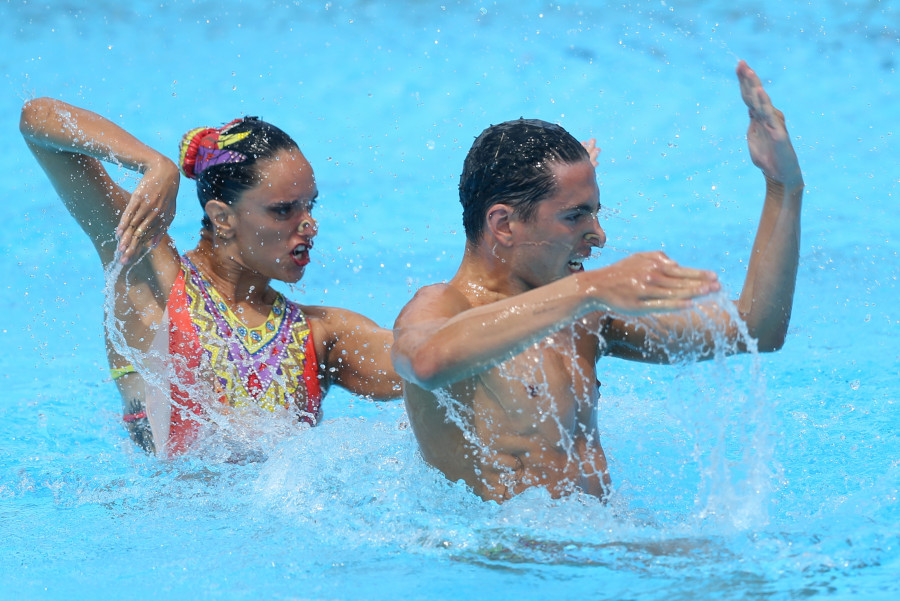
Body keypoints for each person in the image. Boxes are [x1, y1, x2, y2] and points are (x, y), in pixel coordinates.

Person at [391, 60, 803, 503]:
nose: (599, 236)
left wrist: (783, 187)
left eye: (595, 212)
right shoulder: (443, 307)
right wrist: (591, 289)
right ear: (504, 225)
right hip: (509, 559)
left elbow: (755, 329)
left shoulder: (582, 317)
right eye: (574, 216)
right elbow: (426, 362)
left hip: (594, 546)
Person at [20, 99, 401, 456]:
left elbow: (428, 361)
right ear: (222, 217)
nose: (310, 224)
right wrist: (154, 165)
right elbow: (37, 117)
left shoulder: (318, 335)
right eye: (284, 209)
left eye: (310, 205)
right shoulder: (151, 276)